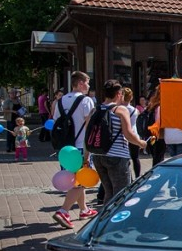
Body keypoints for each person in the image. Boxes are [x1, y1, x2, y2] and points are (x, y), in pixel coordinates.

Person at [91, 79, 148, 207]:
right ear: (118, 94)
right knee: (121, 194)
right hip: (117, 156)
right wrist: (141, 143)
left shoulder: (96, 110)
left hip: (98, 156)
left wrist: (86, 158)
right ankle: (117, 223)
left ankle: (104, 222)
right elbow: (128, 134)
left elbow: (89, 135)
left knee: (108, 192)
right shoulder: (121, 110)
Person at [51, 72, 98, 229]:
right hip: (80, 146)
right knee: (80, 181)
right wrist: (89, 150)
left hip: (65, 148)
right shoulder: (86, 101)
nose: (89, 86)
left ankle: (84, 209)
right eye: (87, 82)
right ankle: (63, 211)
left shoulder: (59, 101)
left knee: (75, 180)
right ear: (80, 84)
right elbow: (90, 126)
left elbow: (55, 120)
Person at [122, 87, 142, 178]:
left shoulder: (120, 109)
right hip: (134, 135)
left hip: (123, 136)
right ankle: (138, 176)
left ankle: (128, 177)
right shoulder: (135, 110)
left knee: (125, 159)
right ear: (131, 98)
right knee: (135, 158)